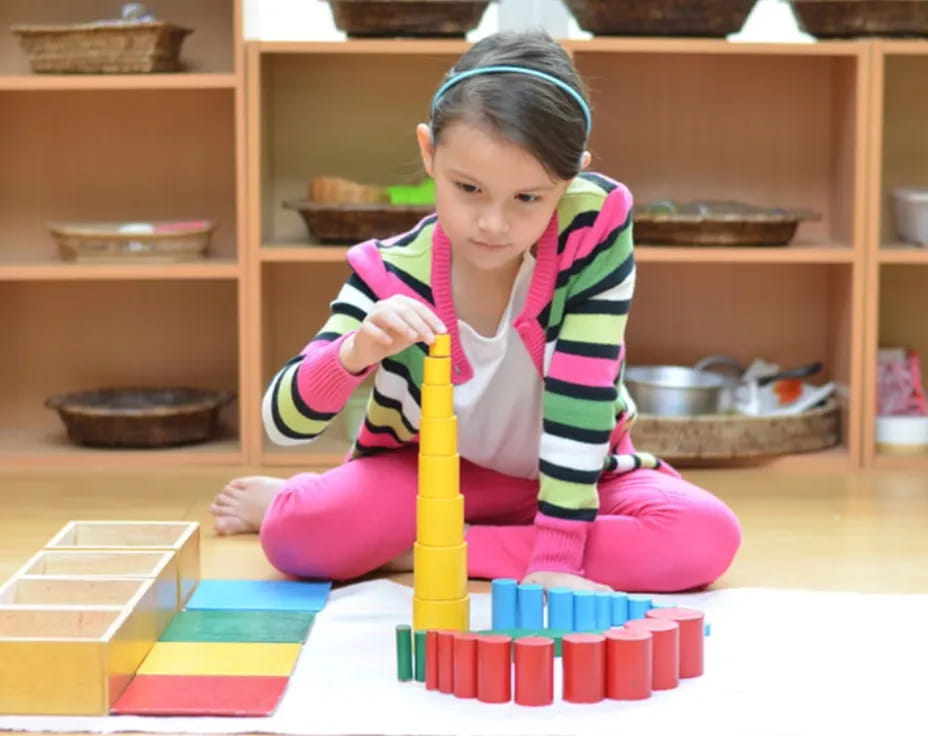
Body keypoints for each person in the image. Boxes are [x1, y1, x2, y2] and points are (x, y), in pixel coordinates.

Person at [211, 29, 741, 593]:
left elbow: (582, 390)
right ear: (428, 152)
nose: (493, 224)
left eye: (528, 198)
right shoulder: (389, 272)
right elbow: (282, 421)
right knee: (296, 536)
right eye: (468, 188)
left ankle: (426, 549)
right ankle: (342, 511)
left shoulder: (595, 224)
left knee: (704, 536)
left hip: (574, 477)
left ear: (571, 176)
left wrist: (557, 560)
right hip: (430, 476)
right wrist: (355, 352)